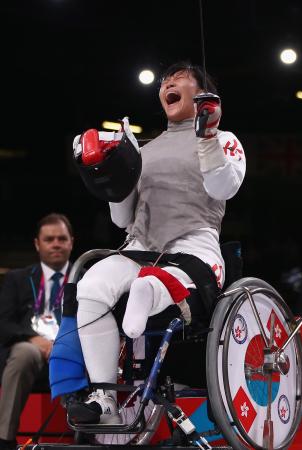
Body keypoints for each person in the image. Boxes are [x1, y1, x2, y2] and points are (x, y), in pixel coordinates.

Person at [66, 62, 246, 424]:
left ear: (201, 94)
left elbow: (223, 188)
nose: (169, 84)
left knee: (150, 282)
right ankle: (104, 398)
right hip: (140, 246)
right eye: (165, 82)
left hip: (193, 247)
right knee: (90, 286)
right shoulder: (145, 150)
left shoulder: (223, 139)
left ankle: (150, 288)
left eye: (179, 79)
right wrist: (111, 171)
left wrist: (207, 137)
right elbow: (121, 219)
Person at [0, 213, 75, 449]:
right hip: (29, 348)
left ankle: (83, 437)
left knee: (77, 356)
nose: (55, 244)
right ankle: (5, 440)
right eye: (49, 239)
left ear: (71, 242)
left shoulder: (84, 278)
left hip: (70, 348)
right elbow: (3, 322)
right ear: (37, 243)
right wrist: (35, 340)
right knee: (23, 354)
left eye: (61, 239)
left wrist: (63, 344)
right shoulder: (17, 278)